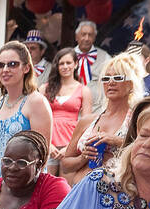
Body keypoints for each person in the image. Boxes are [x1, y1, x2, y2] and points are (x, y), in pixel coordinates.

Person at [59, 52, 144, 186]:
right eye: (106, 78)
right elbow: (65, 165)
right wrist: (83, 157)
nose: (110, 82)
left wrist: (117, 141)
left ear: (131, 84)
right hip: (81, 192)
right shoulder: (87, 121)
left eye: (117, 77)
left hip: (115, 197)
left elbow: (147, 153)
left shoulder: (137, 120)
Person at [0, 41, 53, 183]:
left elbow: (43, 156)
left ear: (26, 68)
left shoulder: (36, 102)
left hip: (22, 188)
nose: (5, 69)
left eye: (12, 64)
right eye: (0, 65)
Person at [44, 47, 91, 173]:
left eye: (68, 63)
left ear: (76, 64)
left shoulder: (84, 90)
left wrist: (70, 148)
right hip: (49, 144)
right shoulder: (45, 89)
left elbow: (87, 124)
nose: (65, 66)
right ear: (57, 66)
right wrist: (48, 145)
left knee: (67, 188)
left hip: (71, 145)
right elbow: (37, 119)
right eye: (61, 63)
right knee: (46, 186)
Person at [74, 19, 111, 111]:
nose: (86, 38)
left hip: (97, 109)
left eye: (90, 35)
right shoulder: (66, 57)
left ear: (94, 38)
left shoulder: (105, 57)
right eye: (83, 34)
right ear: (76, 37)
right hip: (73, 110)